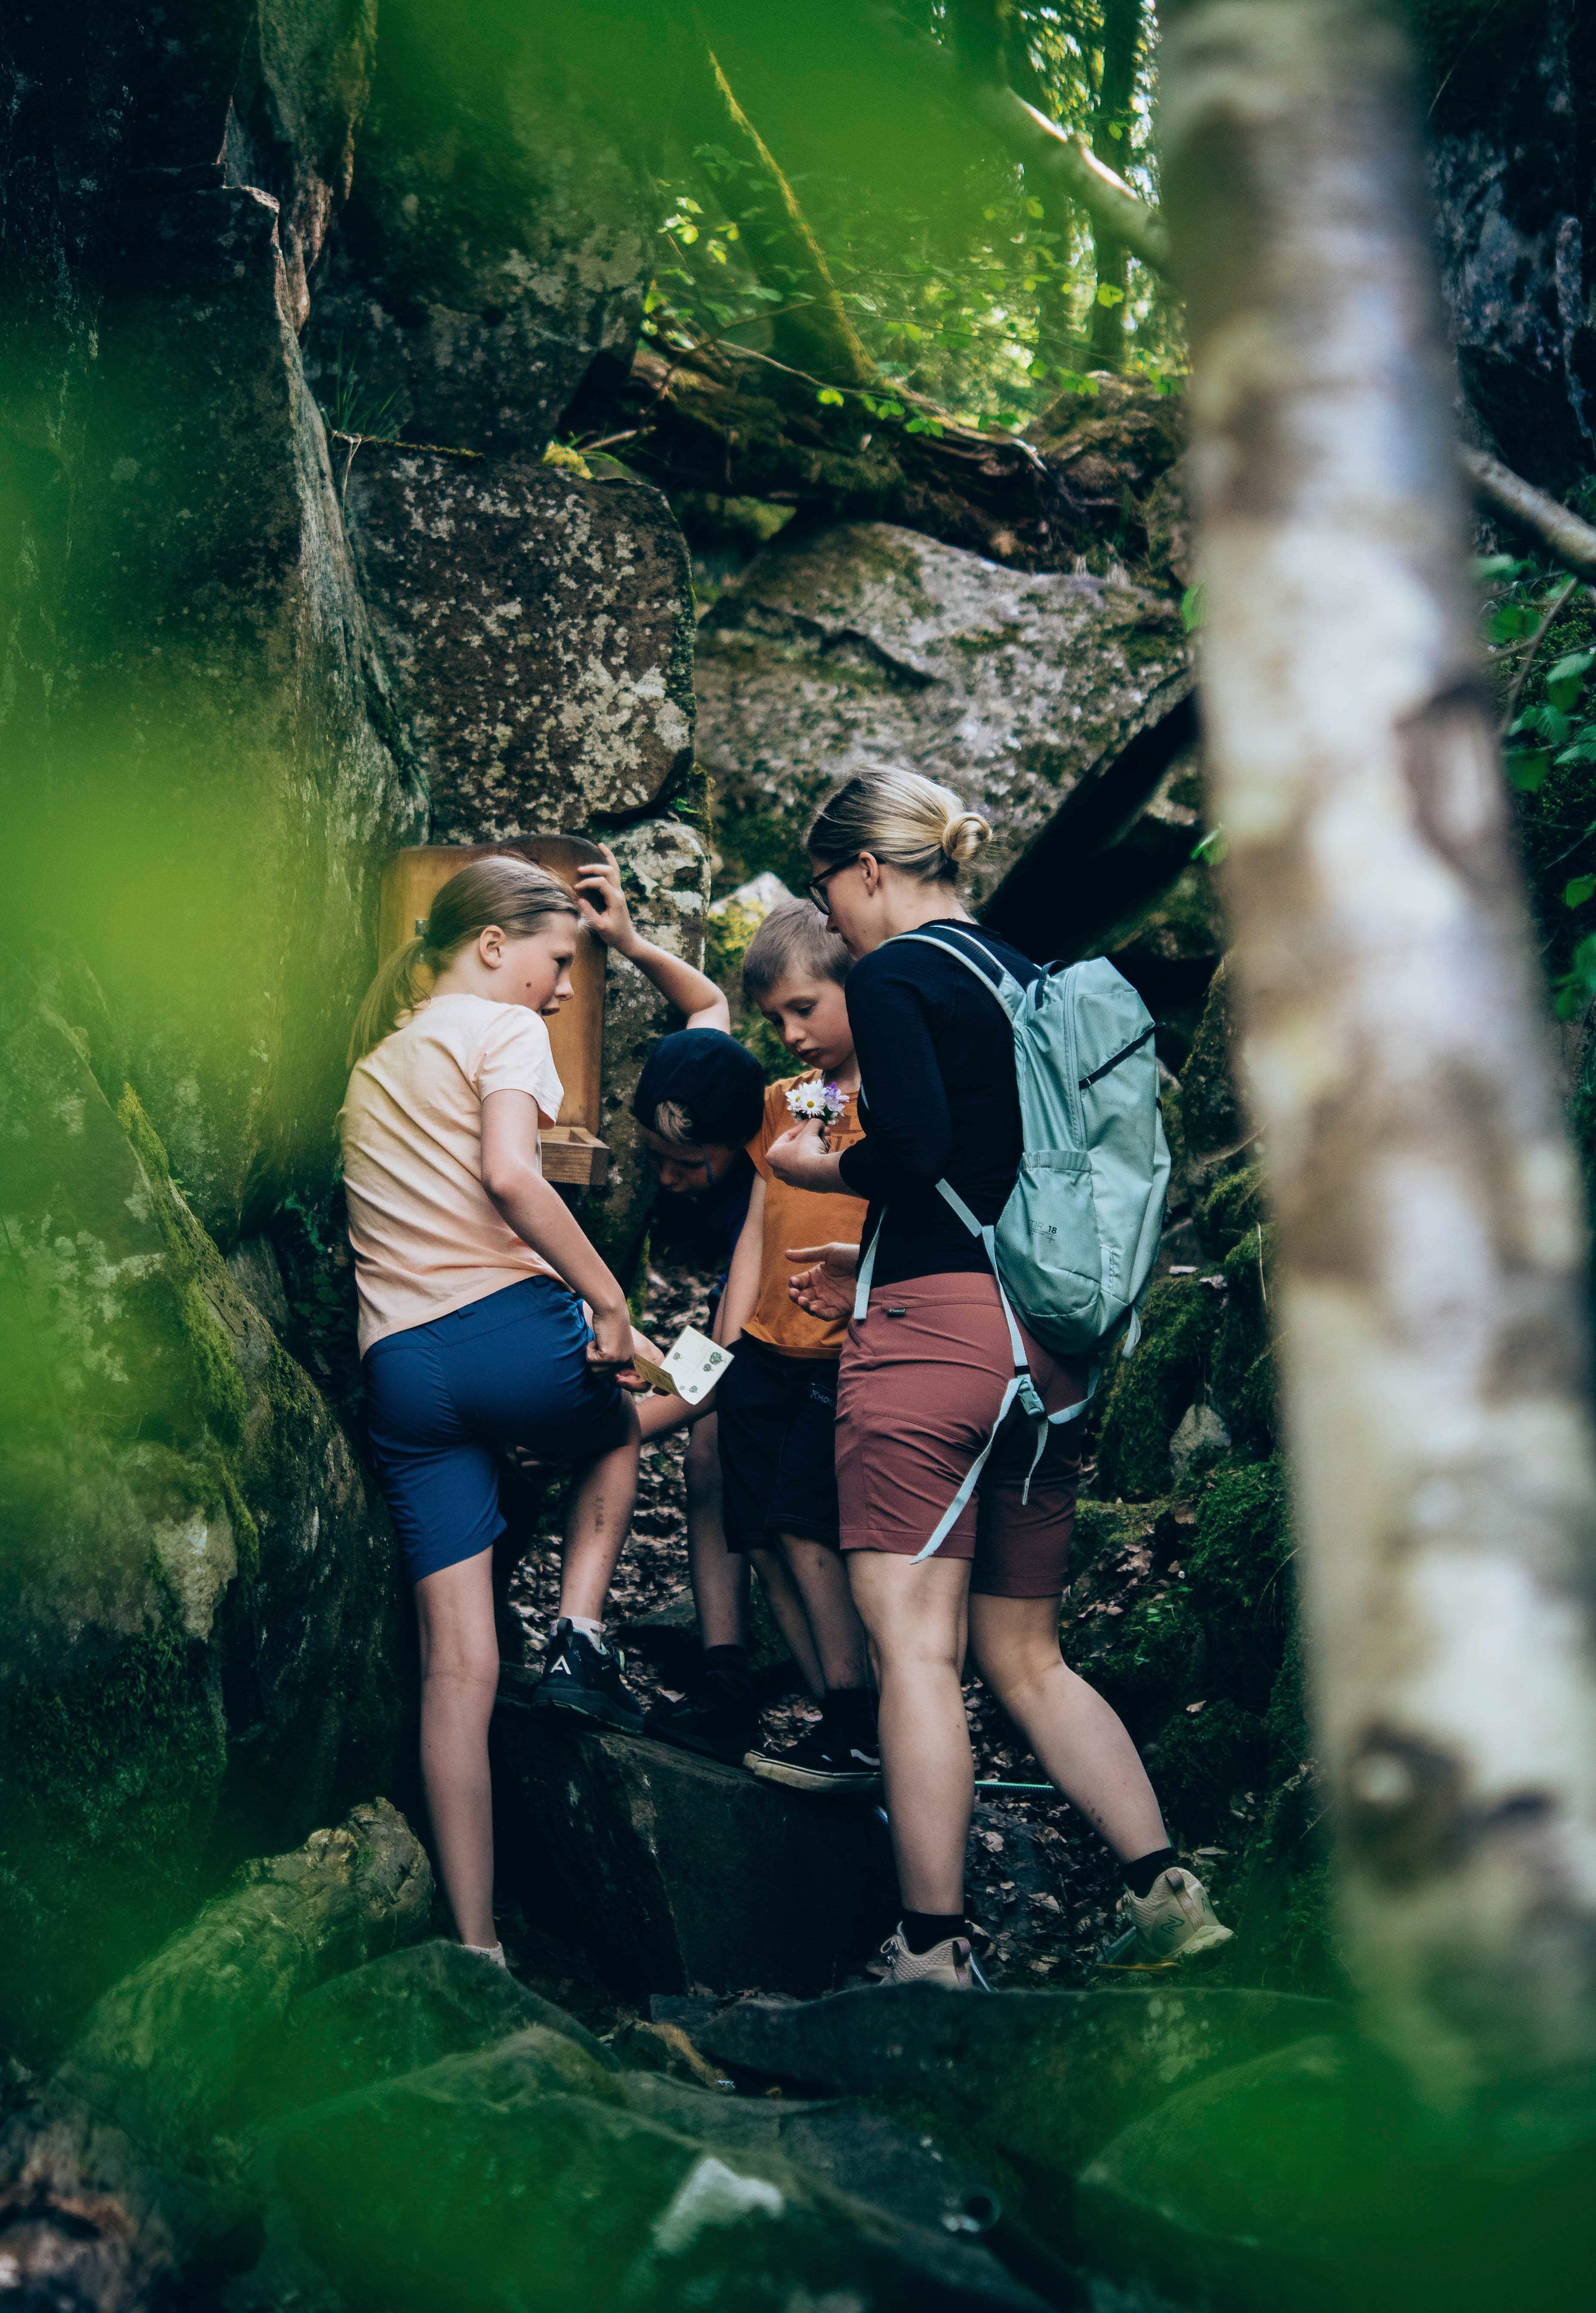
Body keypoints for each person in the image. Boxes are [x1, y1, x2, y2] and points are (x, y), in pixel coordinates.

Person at [767, 766, 1233, 1985]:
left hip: (935, 1347)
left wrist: (813, 1172)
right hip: (1048, 1351)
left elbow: (915, 1148)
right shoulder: (1028, 978)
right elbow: (994, 1158)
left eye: (834, 891)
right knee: (1028, 1655)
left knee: (918, 1654)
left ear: (868, 870)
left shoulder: (894, 974)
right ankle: (1166, 1891)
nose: (840, 919)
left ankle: (932, 1948)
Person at [341, 857, 647, 1967]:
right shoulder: (501, 1031)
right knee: (621, 1425)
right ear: (489, 946)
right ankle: (579, 1636)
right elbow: (515, 1179)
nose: (562, 987)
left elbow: (445, 1218)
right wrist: (610, 1302)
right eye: (556, 959)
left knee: (456, 1666)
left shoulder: (375, 1066)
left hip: (406, 1375)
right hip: (509, 1339)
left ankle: (475, 1945)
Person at [575, 849, 825, 1751]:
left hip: (781, 1307)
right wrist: (632, 942)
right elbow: (705, 1009)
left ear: (736, 1142)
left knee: (711, 1446)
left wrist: (617, 1426)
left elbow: (716, 1359)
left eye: (690, 1166)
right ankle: (725, 1667)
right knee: (705, 1462)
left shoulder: (780, 1127)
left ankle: (764, 1681)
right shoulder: (711, 1079)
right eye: (657, 1161)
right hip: (733, 1300)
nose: (672, 1180)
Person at [711, 900, 878, 1790]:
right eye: (774, 1018)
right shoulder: (790, 1099)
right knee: (765, 1540)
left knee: (804, 1527)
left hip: (845, 1357)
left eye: (804, 1009)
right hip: (764, 1352)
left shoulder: (893, 1093)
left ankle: (857, 1717)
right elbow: (757, 1224)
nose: (789, 1032)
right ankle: (838, 1724)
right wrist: (726, 1345)